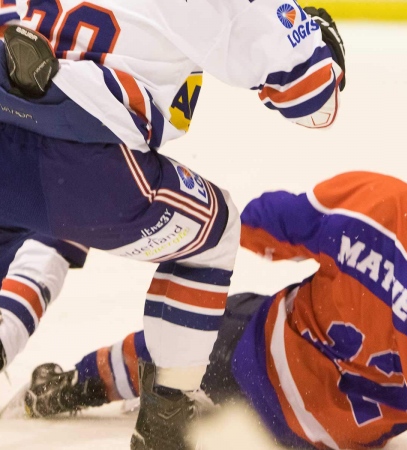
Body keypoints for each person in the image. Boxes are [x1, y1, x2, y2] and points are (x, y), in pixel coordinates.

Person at [0, 1, 346, 448]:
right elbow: (313, 98)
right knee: (212, 234)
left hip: (12, 123)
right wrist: (315, 39)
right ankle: (168, 409)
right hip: (90, 159)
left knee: (44, 226)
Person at [16, 170, 407, 449]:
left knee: (186, 336)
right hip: (336, 440)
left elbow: (268, 222)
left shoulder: (384, 206)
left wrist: (217, 232)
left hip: (256, 363)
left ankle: (78, 384)